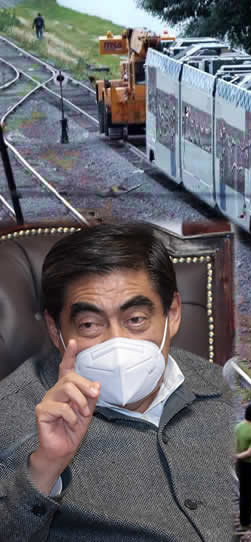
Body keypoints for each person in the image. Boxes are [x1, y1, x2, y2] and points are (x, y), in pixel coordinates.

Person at [0, 223, 233, 540]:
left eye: (135, 320)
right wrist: (44, 468)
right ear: (56, 331)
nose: (117, 342)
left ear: (173, 313)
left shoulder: (225, 392)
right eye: (90, 324)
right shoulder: (10, 415)